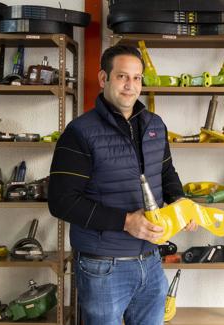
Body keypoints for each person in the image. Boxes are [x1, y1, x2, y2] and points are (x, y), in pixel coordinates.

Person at [48, 44, 196, 325]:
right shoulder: (79, 133)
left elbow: (166, 173)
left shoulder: (155, 125)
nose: (131, 86)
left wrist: (180, 201)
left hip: (151, 261)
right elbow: (62, 201)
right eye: (122, 77)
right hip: (102, 266)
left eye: (137, 78)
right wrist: (126, 221)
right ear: (104, 79)